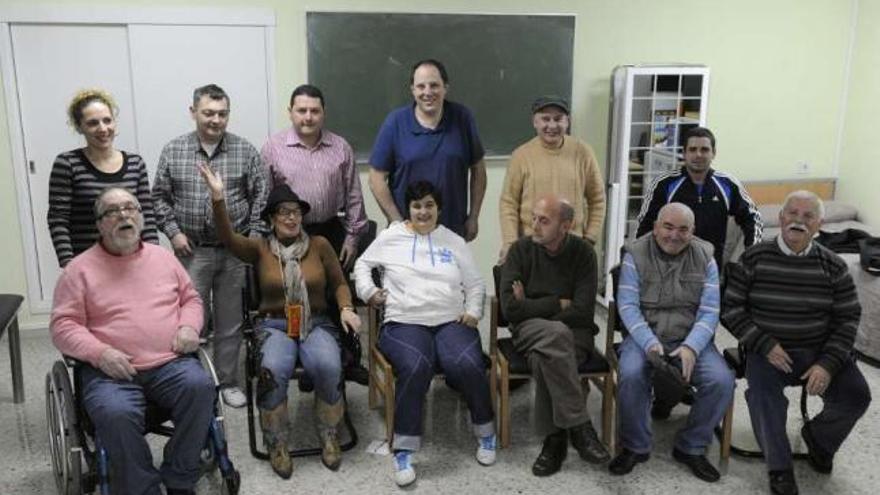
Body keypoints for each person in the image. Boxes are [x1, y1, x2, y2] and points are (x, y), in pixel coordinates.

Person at [200, 165, 360, 477]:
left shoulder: (320, 245)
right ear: (272, 219)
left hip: (316, 323)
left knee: (328, 365)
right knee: (273, 370)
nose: (291, 218)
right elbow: (227, 237)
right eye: (283, 213)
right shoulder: (259, 248)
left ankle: (329, 434)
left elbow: (340, 284)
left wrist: (345, 308)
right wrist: (218, 199)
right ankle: (277, 441)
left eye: (296, 213)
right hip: (273, 325)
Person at [51, 188, 211, 495]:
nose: (124, 215)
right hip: (109, 372)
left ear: (140, 216)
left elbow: (190, 299)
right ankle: (142, 488)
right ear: (99, 224)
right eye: (112, 211)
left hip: (170, 361)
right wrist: (100, 353)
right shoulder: (78, 270)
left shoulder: (163, 258)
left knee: (201, 389)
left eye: (130, 208)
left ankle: (179, 476)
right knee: (115, 413)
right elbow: (62, 324)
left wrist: (189, 327)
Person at [723, 190, 871, 495]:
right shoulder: (753, 257)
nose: (798, 221)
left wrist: (828, 364)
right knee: (766, 396)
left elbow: (848, 318)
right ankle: (779, 469)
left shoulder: (834, 266)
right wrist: (763, 344)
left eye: (808, 217)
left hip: (819, 349)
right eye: (792, 213)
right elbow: (731, 309)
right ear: (781, 217)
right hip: (768, 350)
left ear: (819, 225)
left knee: (856, 395)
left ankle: (819, 438)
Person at [353, 180, 495, 487]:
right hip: (403, 322)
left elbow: (475, 283)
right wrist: (370, 292)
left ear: (439, 208)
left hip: (450, 320)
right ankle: (404, 450)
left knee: (468, 363)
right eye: (417, 206)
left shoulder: (453, 240)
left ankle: (485, 433)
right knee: (417, 366)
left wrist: (473, 311)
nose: (423, 211)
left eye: (429, 205)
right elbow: (362, 266)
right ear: (409, 208)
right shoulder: (391, 237)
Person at [152, 84, 268, 408]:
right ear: (193, 113)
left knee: (230, 321)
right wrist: (173, 232)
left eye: (222, 114)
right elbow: (159, 197)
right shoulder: (174, 150)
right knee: (191, 321)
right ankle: (193, 383)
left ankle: (227, 382)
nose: (216, 120)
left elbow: (261, 197)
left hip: (233, 252)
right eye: (208, 113)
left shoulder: (245, 151)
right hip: (192, 252)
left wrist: (252, 240)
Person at [610, 203, 734, 482]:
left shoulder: (706, 257)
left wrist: (691, 346)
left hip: (691, 337)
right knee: (630, 373)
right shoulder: (635, 254)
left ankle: (691, 446)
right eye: (667, 227)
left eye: (682, 229)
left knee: (721, 380)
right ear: (656, 227)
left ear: (692, 232)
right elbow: (627, 306)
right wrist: (649, 342)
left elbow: (710, 310)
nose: (674, 235)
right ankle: (635, 445)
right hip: (645, 336)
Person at [499, 194, 610, 477]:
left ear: (566, 225)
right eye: (533, 218)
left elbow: (583, 311)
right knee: (557, 333)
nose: (534, 225)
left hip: (574, 335)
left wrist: (531, 307)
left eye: (544, 220)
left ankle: (555, 440)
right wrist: (557, 303)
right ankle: (580, 426)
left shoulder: (584, 254)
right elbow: (510, 310)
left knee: (544, 357)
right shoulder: (520, 251)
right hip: (528, 331)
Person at [368, 59, 487, 241]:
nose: (427, 92)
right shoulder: (395, 123)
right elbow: (376, 178)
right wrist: (396, 221)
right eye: (421, 86)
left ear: (445, 87)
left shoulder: (462, 118)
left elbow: (478, 169)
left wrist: (474, 217)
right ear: (413, 90)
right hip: (407, 235)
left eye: (434, 85)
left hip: (452, 231)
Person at [48, 88, 159, 267]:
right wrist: (68, 263)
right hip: (88, 265)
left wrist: (153, 257)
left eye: (107, 120)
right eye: (93, 123)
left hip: (131, 261)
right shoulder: (67, 163)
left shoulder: (135, 163)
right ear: (79, 127)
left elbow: (146, 214)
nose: (103, 129)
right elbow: (58, 219)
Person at [261, 84, 367, 268]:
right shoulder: (273, 149)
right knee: (296, 294)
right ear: (290, 112)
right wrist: (267, 240)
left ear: (323, 112)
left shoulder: (340, 147)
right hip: (288, 235)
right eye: (302, 110)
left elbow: (354, 197)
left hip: (332, 232)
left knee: (334, 291)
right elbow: (263, 199)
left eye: (314, 111)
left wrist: (352, 240)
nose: (308, 117)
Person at [636, 126, 762, 270]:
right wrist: (641, 262)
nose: (698, 155)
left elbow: (753, 218)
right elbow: (644, 225)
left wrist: (752, 254)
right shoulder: (664, 184)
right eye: (692, 149)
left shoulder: (727, 185)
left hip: (710, 271)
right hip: (668, 270)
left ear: (713, 153)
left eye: (704, 150)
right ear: (684, 153)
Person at [498, 95, 605, 262]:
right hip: (531, 246)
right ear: (535, 122)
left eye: (558, 119)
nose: (552, 125)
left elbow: (597, 199)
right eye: (545, 119)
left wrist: (590, 238)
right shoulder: (521, 156)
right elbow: (508, 203)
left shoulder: (583, 153)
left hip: (573, 247)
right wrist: (510, 243)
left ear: (567, 122)